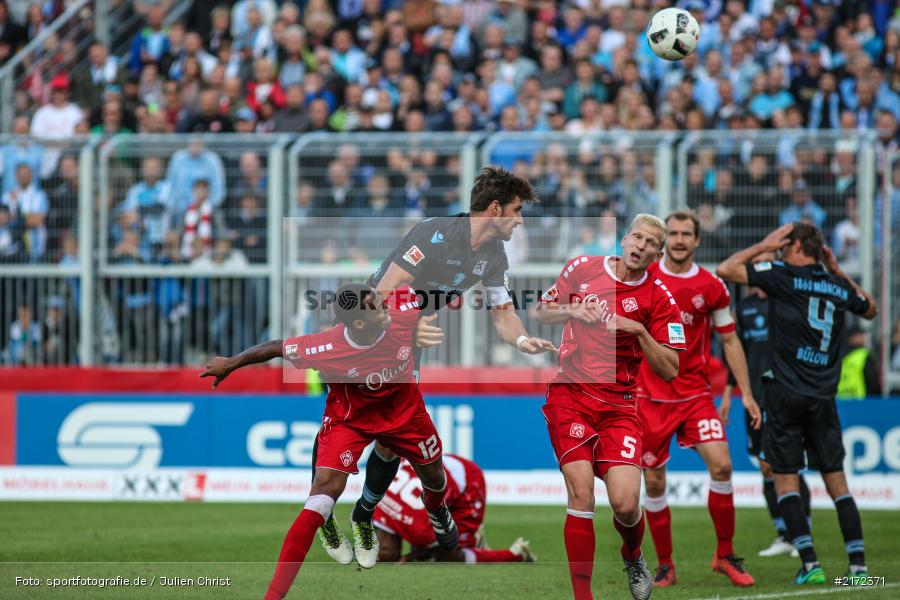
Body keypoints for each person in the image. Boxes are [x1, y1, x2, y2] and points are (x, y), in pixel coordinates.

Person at [316, 166, 558, 565]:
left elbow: (502, 313)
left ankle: (363, 513)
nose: (520, 220)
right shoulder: (436, 233)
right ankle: (322, 511)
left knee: (392, 439)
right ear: (495, 209)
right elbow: (381, 293)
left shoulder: (494, 254)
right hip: (370, 335)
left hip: (407, 342)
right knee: (338, 420)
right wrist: (409, 327)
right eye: (516, 211)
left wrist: (520, 339)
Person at [201, 284, 459, 599]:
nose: (386, 308)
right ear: (360, 323)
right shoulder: (325, 346)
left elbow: (437, 289)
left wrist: (426, 317)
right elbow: (276, 347)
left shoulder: (401, 307)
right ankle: (274, 595)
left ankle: (432, 508)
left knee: (435, 480)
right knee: (321, 493)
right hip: (350, 421)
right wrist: (231, 363)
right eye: (378, 307)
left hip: (407, 416)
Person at [534, 214, 687, 600]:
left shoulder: (660, 297)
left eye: (651, 243)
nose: (641, 246)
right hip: (571, 396)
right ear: (624, 238)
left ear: (658, 253)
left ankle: (633, 555)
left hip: (619, 406)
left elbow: (671, 368)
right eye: (637, 237)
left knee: (625, 503)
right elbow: (541, 311)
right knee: (581, 493)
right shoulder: (581, 268)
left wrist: (639, 330)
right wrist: (571, 311)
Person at [717, 222, 878, 585]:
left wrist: (762, 242)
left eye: (785, 244)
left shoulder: (783, 274)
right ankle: (858, 570)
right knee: (838, 484)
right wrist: (839, 273)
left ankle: (810, 564)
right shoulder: (836, 285)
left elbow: (725, 269)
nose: (780, 249)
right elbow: (871, 309)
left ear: (798, 247)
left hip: (785, 394)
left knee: (785, 480)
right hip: (823, 398)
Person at [636, 211, 761, 588]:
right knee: (654, 483)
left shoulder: (712, 286)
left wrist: (747, 394)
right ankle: (665, 565)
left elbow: (729, 339)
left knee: (722, 466)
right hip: (650, 398)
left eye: (685, 234)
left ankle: (724, 555)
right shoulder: (644, 278)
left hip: (694, 395)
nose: (677, 239)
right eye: (672, 233)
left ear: (697, 240)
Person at [722, 253, 812, 559]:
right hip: (754, 394)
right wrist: (728, 392)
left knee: (789, 463)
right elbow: (736, 351)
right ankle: (784, 534)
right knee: (765, 465)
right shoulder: (744, 308)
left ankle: (803, 534)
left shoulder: (785, 297)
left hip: (785, 391)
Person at [374, 454, 536, 564]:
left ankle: (516, 554)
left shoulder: (420, 533)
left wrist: (407, 559)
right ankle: (471, 538)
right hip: (441, 468)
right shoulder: (377, 506)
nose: (380, 558)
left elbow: (437, 549)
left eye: (380, 555)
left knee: (450, 556)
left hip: (468, 480)